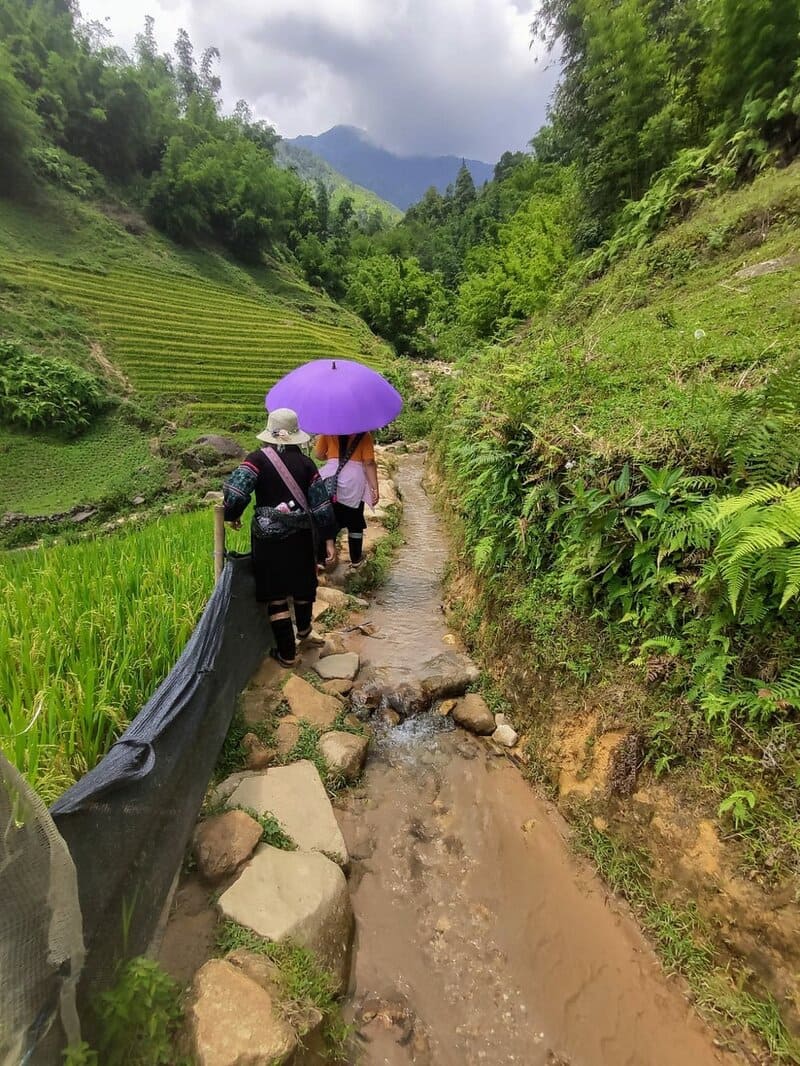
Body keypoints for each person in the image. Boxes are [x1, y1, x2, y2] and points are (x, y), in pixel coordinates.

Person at [223, 408, 335, 667]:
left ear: (269, 434)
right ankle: (305, 631)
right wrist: (328, 538)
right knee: (302, 585)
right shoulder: (307, 465)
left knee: (275, 594)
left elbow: (237, 493)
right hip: (302, 537)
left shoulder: (256, 460)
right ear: (296, 435)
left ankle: (286, 654)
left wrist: (232, 514)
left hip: (268, 540)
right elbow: (320, 505)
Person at [314, 431, 380, 569]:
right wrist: (374, 488)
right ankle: (355, 559)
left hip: (329, 477)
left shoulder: (328, 431)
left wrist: (332, 458)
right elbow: (369, 462)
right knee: (355, 520)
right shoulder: (364, 434)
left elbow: (318, 455)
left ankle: (321, 559)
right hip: (353, 480)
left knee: (326, 518)